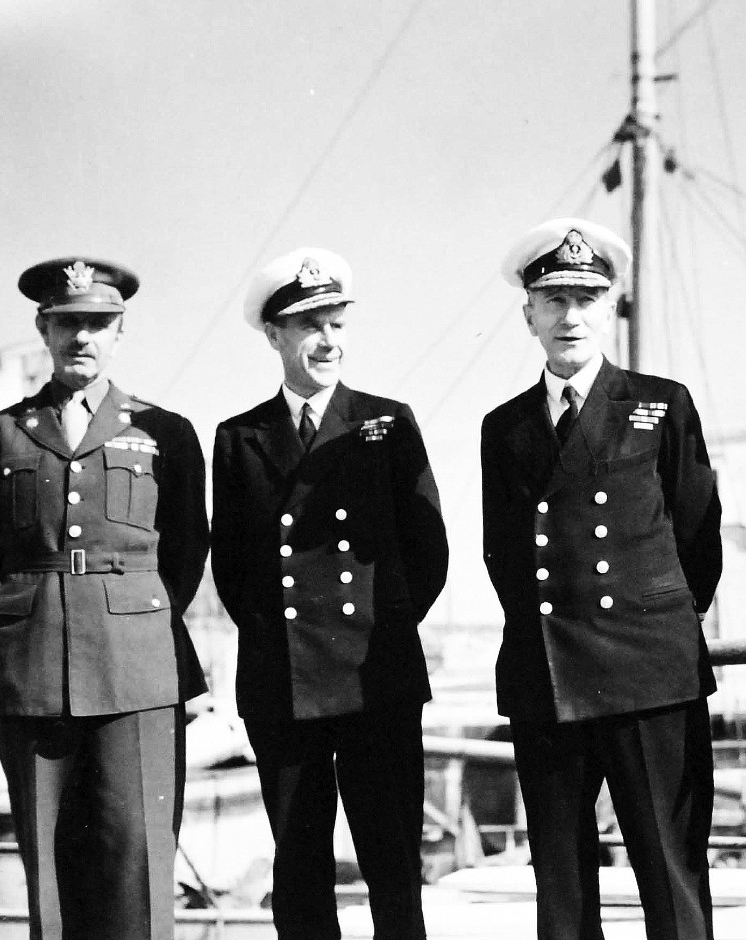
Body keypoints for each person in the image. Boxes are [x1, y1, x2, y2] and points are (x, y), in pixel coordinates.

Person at [481, 218, 722, 940]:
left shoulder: (660, 403)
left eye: (587, 297)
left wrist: (653, 626)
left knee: (670, 872)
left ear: (611, 306)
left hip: (651, 672)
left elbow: (697, 535)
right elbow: (503, 554)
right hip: (547, 673)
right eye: (553, 299)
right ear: (529, 315)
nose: (570, 316)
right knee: (561, 886)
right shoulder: (506, 426)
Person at [0, 257, 209, 940]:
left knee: (137, 858)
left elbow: (184, 554)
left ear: (120, 332)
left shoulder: (167, 432)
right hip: (30, 667)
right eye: (68, 323)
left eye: (99, 323)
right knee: (49, 870)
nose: (83, 338)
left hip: (138, 670)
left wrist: (127, 614)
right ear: (44, 328)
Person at [211, 248, 448, 940]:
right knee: (301, 870)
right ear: (274, 336)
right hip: (284, 685)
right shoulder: (240, 439)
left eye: (336, 324)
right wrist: (279, 641)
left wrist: (384, 629)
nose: (326, 340)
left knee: (393, 863)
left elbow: (426, 552)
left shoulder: (388, 422)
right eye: (308, 325)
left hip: (378, 677)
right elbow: (232, 567)